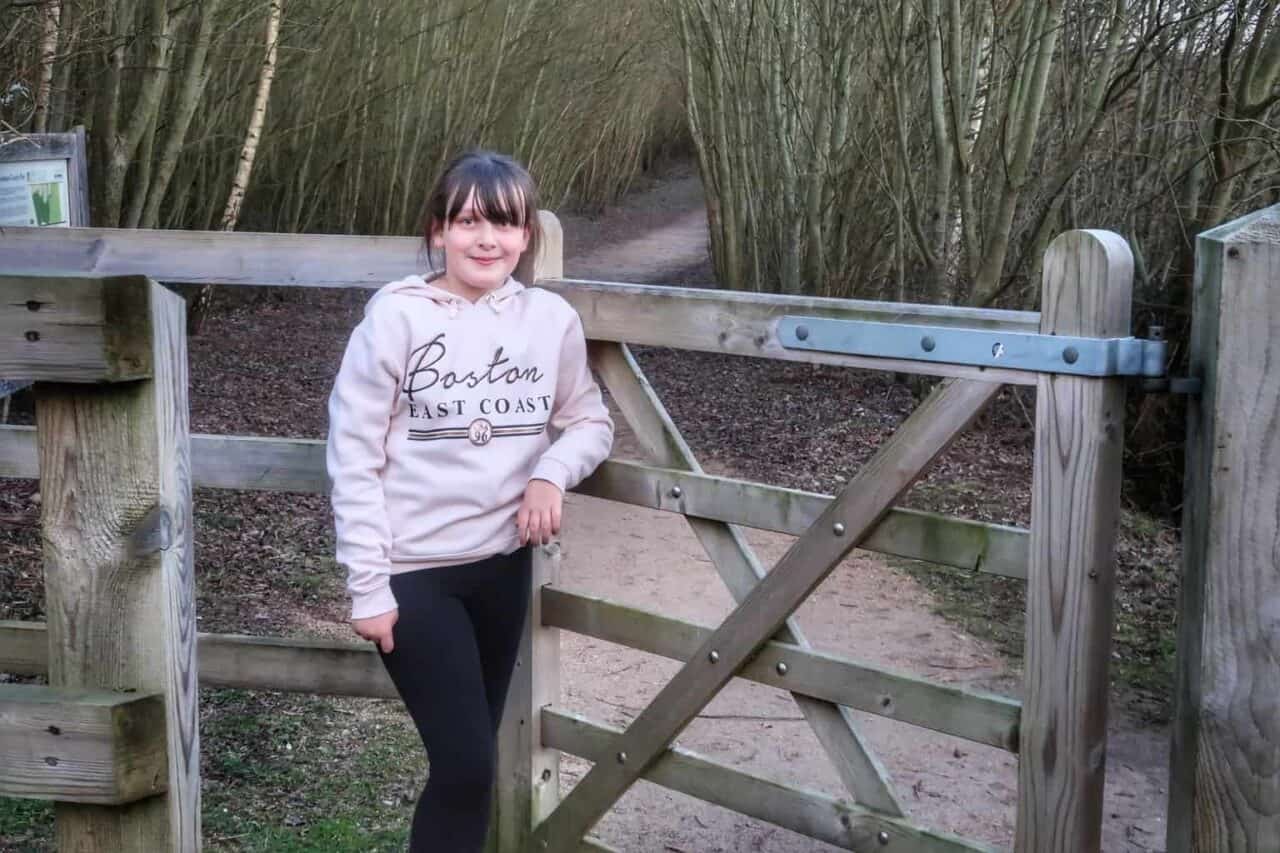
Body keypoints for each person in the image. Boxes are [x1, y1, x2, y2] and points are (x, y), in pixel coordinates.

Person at [326, 150, 613, 852]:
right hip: (414, 576)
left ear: (526, 236)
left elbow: (590, 420)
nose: (487, 239)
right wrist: (368, 584)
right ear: (439, 229)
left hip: (501, 568)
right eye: (470, 221)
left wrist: (551, 471)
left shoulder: (550, 321)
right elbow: (353, 457)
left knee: (474, 766)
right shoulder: (395, 320)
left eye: (505, 224)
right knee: (463, 766)